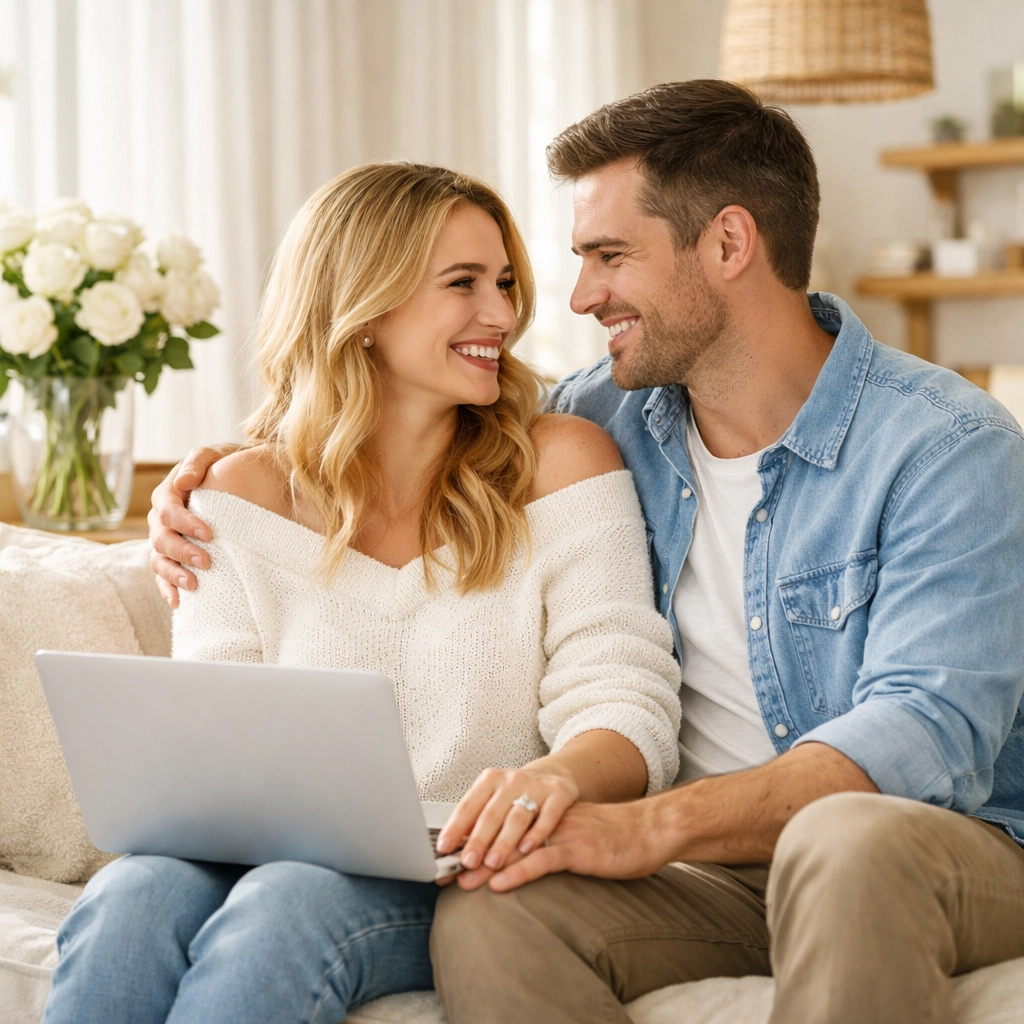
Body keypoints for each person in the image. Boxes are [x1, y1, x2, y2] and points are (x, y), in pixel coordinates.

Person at [148, 83, 1024, 1024]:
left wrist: (649, 825)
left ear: (730, 244)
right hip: (716, 879)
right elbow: (398, 417)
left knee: (844, 840)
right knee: (493, 908)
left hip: (938, 846)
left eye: (610, 256)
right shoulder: (596, 421)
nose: (576, 297)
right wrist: (219, 470)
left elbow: (924, 735)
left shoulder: (945, 446)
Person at [43, 162, 683, 1024]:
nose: (502, 313)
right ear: (364, 306)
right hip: (261, 856)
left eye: (503, 283)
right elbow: (212, 742)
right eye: (463, 284)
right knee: (132, 896)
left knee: (287, 908)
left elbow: (627, 704)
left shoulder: (562, 463)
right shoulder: (238, 497)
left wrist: (552, 781)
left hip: (453, 874)